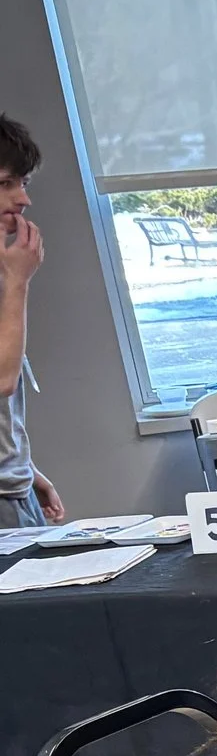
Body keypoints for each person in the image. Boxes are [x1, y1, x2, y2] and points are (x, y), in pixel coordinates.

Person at [0, 111, 62, 527]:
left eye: (23, 183)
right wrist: (18, 282)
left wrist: (26, 467)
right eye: (5, 184)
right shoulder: (11, 279)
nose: (23, 199)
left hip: (14, 488)